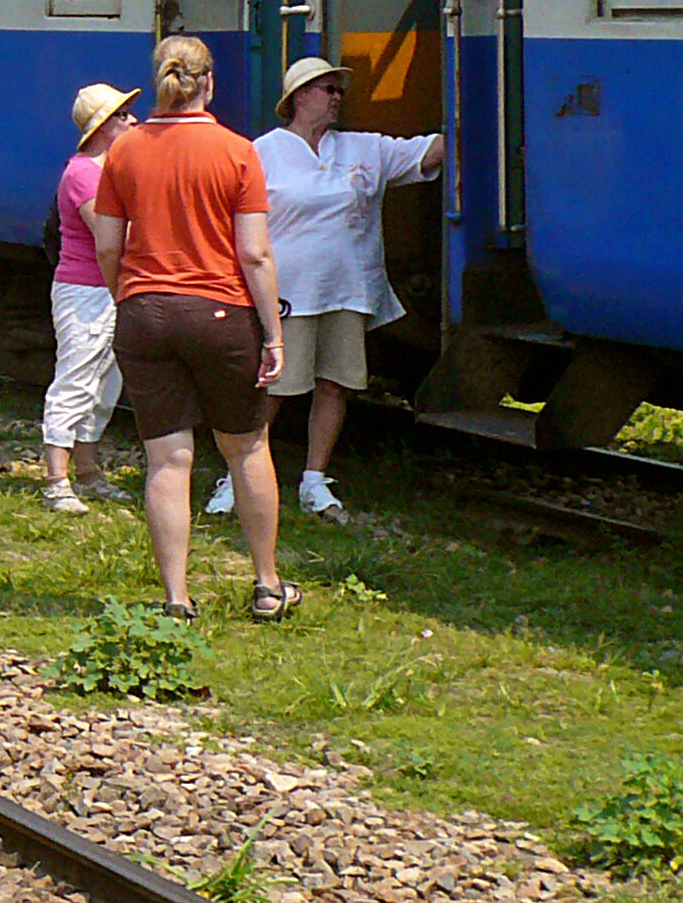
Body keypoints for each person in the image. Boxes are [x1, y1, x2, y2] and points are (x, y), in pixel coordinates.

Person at [90, 36, 299, 622]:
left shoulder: (125, 152)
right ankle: (265, 586)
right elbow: (255, 255)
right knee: (248, 448)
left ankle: (177, 599)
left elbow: (109, 245)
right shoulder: (237, 151)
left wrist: (128, 295)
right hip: (221, 313)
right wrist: (273, 335)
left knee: (167, 461)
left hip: (145, 313)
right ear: (209, 83)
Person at [199, 57, 442, 521]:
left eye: (338, 91)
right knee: (274, 390)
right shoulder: (262, 152)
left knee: (336, 385)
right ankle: (236, 477)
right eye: (327, 89)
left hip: (347, 290)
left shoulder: (361, 148)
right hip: (287, 292)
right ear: (298, 98)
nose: (336, 99)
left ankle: (315, 479)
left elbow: (426, 153)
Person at [39, 83, 139, 515]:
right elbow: (110, 237)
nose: (133, 121)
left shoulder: (112, 170)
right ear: (102, 126)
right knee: (77, 378)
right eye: (123, 116)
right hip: (85, 290)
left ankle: (89, 471)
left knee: (105, 382)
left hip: (111, 288)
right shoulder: (84, 173)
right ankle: (56, 480)